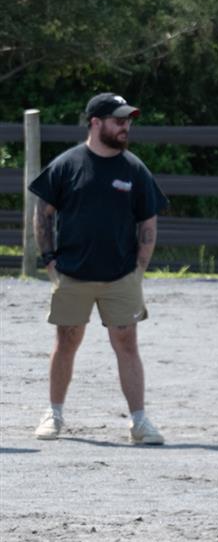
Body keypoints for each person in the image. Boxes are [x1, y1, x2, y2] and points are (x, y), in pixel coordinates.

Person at [29, 92, 169, 445]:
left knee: (127, 344)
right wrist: (49, 263)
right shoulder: (67, 164)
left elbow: (148, 220)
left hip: (121, 277)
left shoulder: (134, 169)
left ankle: (139, 422)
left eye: (128, 121)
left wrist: (139, 269)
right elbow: (42, 213)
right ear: (95, 122)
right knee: (66, 342)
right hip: (72, 274)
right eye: (118, 120)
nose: (126, 127)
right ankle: (53, 414)